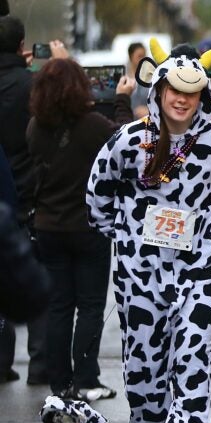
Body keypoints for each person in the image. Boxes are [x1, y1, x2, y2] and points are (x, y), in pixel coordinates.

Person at [86, 39, 211, 423]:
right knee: (145, 377)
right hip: (139, 275)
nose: (182, 99)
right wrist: (124, 235)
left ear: (202, 95)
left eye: (191, 92)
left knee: (193, 360)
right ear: (159, 88)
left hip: (198, 269)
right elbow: (98, 191)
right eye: (174, 89)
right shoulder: (129, 139)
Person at [27, 58, 134, 401]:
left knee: (59, 306)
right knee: (89, 306)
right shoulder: (92, 125)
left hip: (47, 226)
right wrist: (121, 100)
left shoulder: (35, 127)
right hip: (89, 226)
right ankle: (87, 379)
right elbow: (125, 140)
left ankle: (59, 383)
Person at [0, 15, 66, 387]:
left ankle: (1, 358)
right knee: (32, 271)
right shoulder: (32, 85)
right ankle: (39, 363)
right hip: (28, 191)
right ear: (21, 43)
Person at [127, 42, 149, 118]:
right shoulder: (123, 79)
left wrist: (149, 111)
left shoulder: (151, 78)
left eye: (144, 56)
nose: (143, 59)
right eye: (139, 56)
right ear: (130, 57)